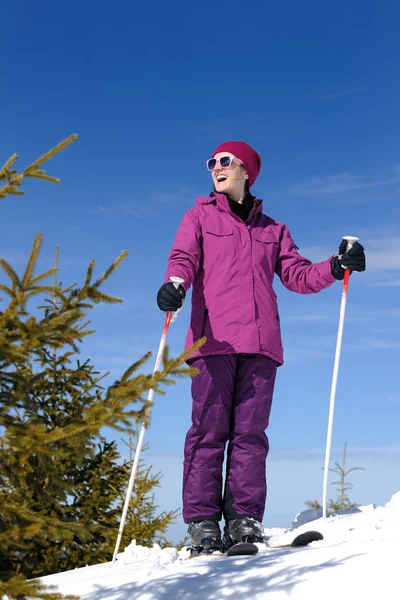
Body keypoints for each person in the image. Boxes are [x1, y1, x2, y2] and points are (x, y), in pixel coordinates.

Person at [156, 141, 366, 554]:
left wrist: (336, 266)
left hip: (260, 344)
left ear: (246, 171)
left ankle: (244, 520)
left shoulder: (274, 230)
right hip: (211, 342)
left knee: (251, 435)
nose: (216, 167)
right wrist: (175, 284)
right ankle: (202, 524)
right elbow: (183, 258)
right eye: (212, 162)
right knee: (207, 432)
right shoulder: (198, 216)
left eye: (225, 162)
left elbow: (297, 275)